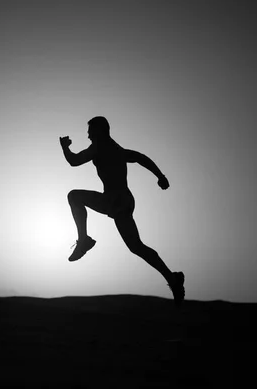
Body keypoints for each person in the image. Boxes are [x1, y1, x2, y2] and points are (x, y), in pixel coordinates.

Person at [60, 116, 185, 305]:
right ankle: (172, 279)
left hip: (113, 200)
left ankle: (84, 240)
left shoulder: (99, 147)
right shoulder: (117, 149)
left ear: (99, 131)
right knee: (136, 246)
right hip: (123, 200)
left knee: (74, 196)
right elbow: (140, 158)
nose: (87, 135)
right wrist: (160, 176)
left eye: (90, 131)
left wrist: (65, 147)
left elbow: (74, 161)